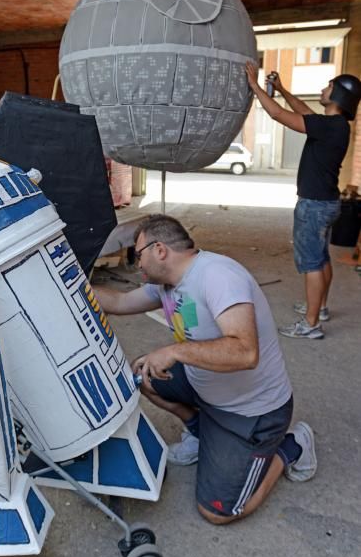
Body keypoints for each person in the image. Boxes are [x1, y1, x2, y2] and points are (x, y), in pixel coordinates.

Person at [93, 214, 316, 525]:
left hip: (252, 412)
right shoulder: (166, 285)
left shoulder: (217, 276)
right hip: (208, 388)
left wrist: (174, 351)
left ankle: (293, 446)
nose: (136, 264)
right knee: (144, 373)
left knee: (217, 511)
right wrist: (72, 286)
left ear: (160, 251)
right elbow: (117, 302)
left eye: (138, 254)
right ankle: (201, 433)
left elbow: (245, 351)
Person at [245, 63, 361, 339]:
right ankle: (319, 307)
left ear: (339, 97)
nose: (323, 89)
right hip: (326, 204)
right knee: (320, 259)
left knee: (311, 264)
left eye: (328, 86)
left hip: (314, 206)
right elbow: (302, 111)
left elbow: (276, 114)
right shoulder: (335, 126)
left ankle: (311, 324)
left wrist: (254, 85)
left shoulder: (330, 127)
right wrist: (282, 88)